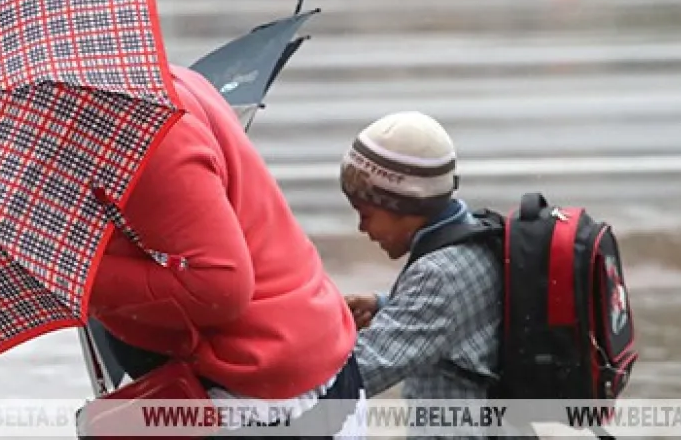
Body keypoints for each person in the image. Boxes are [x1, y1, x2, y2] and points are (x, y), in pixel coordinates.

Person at [88, 64, 365, 439]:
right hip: (274, 361)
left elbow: (219, 285)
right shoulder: (153, 85)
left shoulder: (141, 130)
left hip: (265, 392)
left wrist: (78, 271)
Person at [338, 112, 503, 439]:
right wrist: (385, 307)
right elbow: (455, 319)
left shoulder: (439, 276)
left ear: (403, 206)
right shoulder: (473, 237)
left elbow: (358, 374)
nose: (362, 228)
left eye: (366, 214)